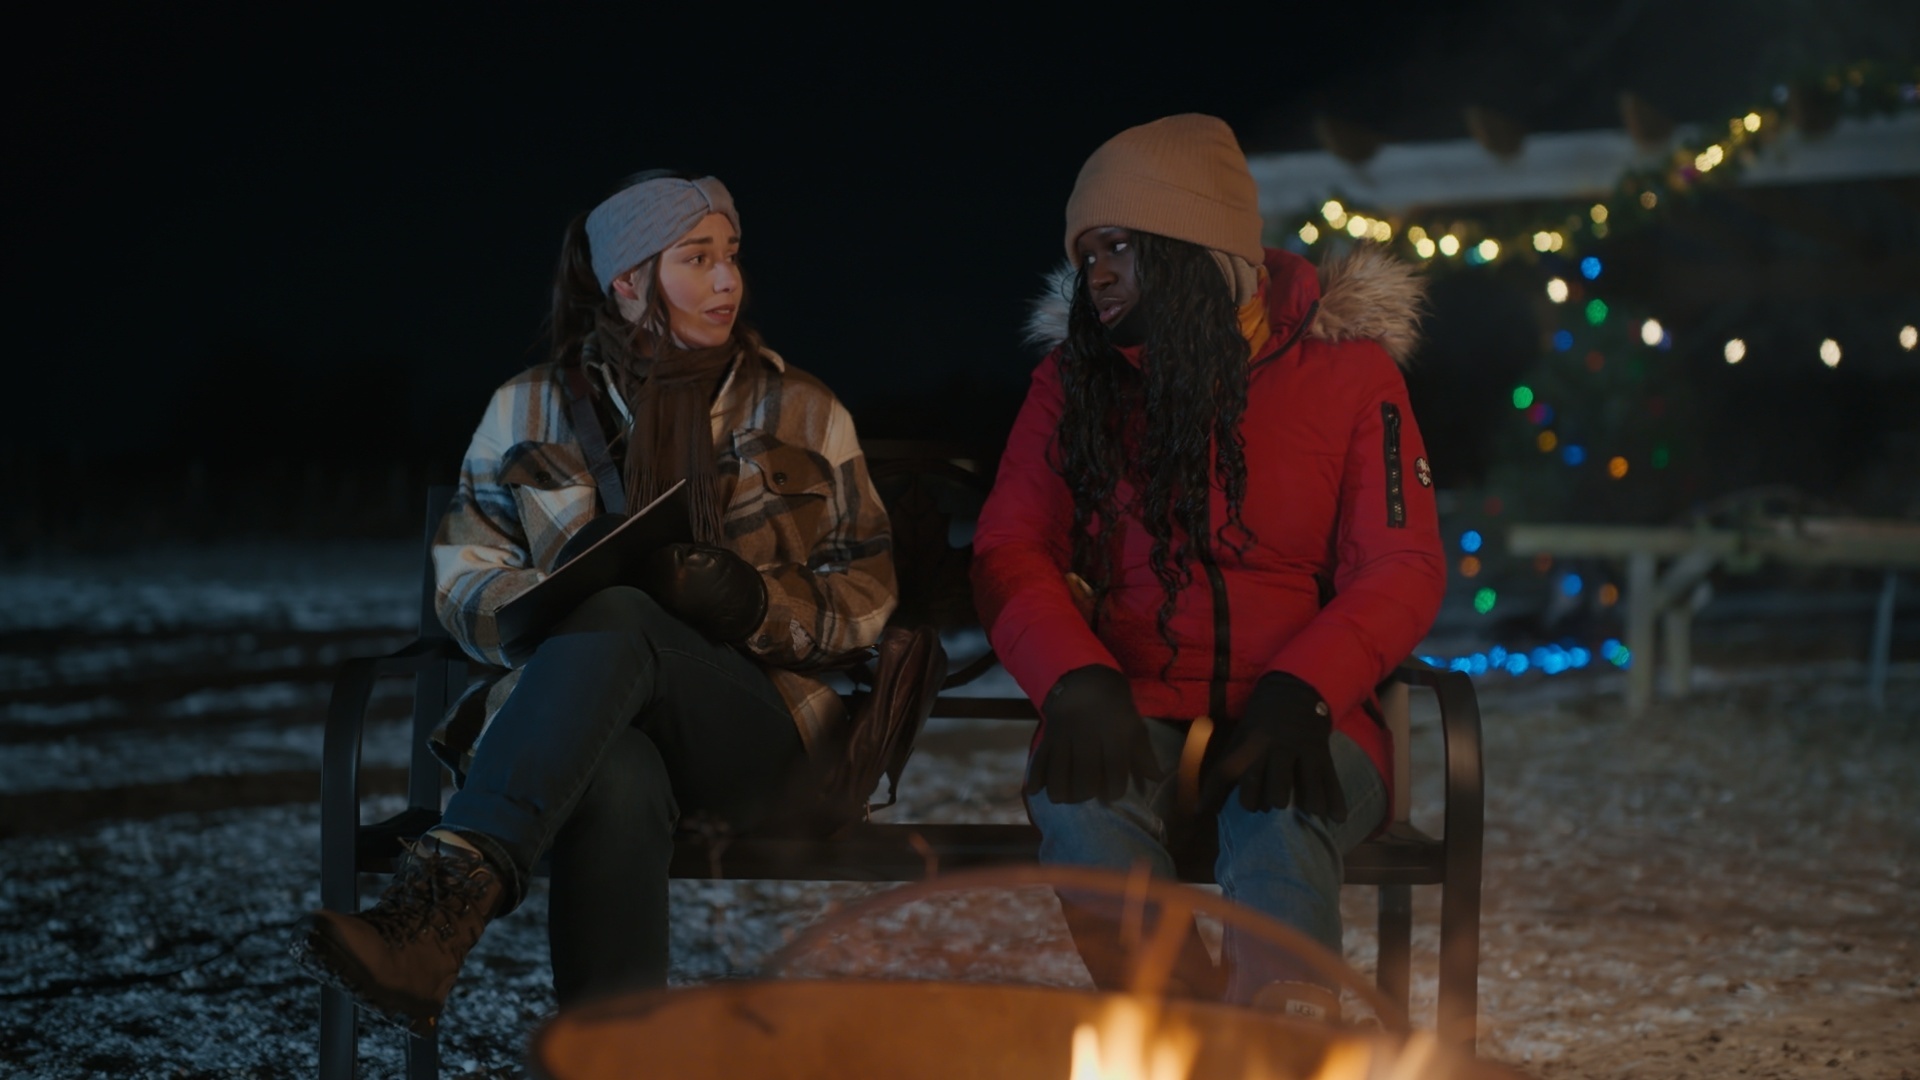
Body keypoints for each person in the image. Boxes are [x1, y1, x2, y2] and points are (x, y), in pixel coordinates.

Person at [292, 170, 897, 1031]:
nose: (727, 280)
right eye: (697, 259)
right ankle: (616, 1053)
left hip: (760, 737)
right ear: (627, 282)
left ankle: (439, 908)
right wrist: (545, 598)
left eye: (731, 256)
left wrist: (753, 605)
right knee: (614, 771)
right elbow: (465, 580)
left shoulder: (801, 408)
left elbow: (868, 587)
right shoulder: (527, 409)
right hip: (581, 737)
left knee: (620, 617)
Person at [971, 115, 1444, 1017]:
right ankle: (1176, 1035)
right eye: (1086, 253)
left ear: (1198, 247)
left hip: (1309, 712)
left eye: (1120, 246)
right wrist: (1073, 678)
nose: (1096, 273)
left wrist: (1307, 688)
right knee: (1082, 806)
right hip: (1135, 701)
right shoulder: (1075, 383)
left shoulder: (1348, 374)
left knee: (1280, 808)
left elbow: (1402, 563)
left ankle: (1286, 1046)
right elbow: (1011, 547)